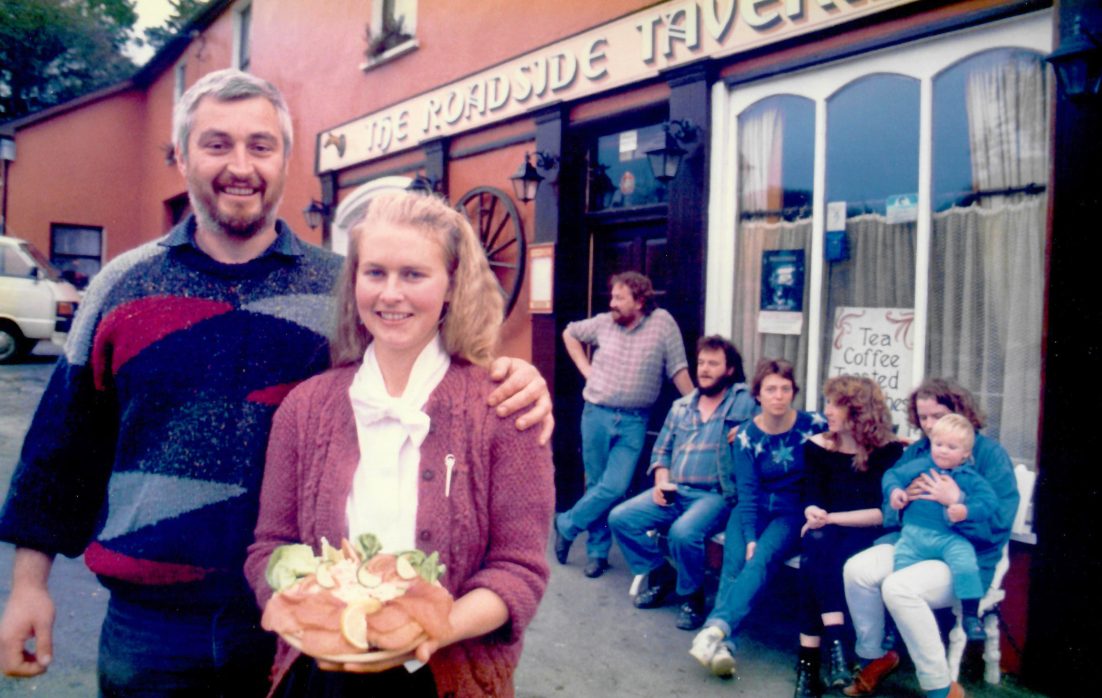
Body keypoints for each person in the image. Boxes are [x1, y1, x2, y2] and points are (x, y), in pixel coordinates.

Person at [0, 69, 551, 694]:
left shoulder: (342, 288)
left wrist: (513, 376)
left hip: (293, 634)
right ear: (181, 155)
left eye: (261, 145)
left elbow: (428, 356)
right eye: (217, 144)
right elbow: (60, 449)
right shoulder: (120, 288)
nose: (242, 165)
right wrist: (27, 587)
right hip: (149, 627)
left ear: (286, 158)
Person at [244, 191, 553, 697]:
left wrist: (436, 629)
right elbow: (269, 550)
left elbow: (519, 571)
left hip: (444, 677)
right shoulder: (304, 408)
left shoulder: (505, 409)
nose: (391, 294)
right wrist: (307, 614)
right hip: (318, 679)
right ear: (354, 282)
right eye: (375, 273)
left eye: (413, 274)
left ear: (451, 285)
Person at [842, 379, 1019, 698]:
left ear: (959, 410)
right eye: (922, 418)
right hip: (915, 541)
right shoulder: (924, 450)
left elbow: (998, 524)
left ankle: (940, 685)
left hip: (967, 557)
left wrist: (957, 502)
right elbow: (890, 505)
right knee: (858, 570)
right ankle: (876, 655)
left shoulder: (991, 456)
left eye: (937, 416)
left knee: (899, 587)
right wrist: (901, 498)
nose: (929, 425)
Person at [689, 358, 826, 678]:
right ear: (758, 395)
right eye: (770, 389)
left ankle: (714, 629)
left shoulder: (812, 425)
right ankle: (723, 645)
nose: (778, 396)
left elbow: (850, 433)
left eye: (785, 389)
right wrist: (749, 534)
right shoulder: (748, 436)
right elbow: (747, 493)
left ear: (794, 392)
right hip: (752, 509)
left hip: (791, 512)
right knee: (733, 565)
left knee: (762, 559)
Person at [608, 336, 756, 631]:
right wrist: (662, 482)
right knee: (620, 518)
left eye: (713, 363)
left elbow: (769, 427)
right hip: (676, 490)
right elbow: (661, 452)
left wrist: (748, 430)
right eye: (701, 362)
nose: (704, 369)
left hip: (714, 495)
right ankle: (662, 574)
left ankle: (693, 597)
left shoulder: (745, 400)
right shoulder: (681, 406)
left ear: (729, 370)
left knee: (682, 533)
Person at [555, 271, 693, 578]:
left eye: (620, 298)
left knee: (614, 486)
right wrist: (586, 370)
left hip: (634, 420)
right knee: (596, 484)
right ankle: (597, 552)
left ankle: (566, 524)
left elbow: (678, 369)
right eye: (612, 297)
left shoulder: (663, 324)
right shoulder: (604, 322)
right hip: (596, 413)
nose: (612, 303)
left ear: (640, 300)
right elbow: (570, 333)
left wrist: (697, 404)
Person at [793, 376, 903, 697]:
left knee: (817, 557)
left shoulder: (888, 452)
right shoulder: (817, 447)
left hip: (867, 534)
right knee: (816, 548)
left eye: (835, 404)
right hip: (826, 533)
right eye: (827, 402)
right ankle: (837, 645)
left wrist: (827, 518)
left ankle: (808, 664)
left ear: (858, 411)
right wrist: (813, 511)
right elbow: (811, 494)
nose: (826, 411)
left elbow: (883, 514)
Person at [883, 414, 996, 642]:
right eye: (938, 444)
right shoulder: (921, 465)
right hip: (913, 536)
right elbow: (892, 475)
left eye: (951, 447)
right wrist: (895, 492)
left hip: (949, 537)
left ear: (965, 453)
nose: (943, 451)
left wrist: (965, 509)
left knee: (965, 561)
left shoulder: (969, 477)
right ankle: (894, 627)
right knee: (898, 574)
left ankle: (971, 615)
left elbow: (989, 502)